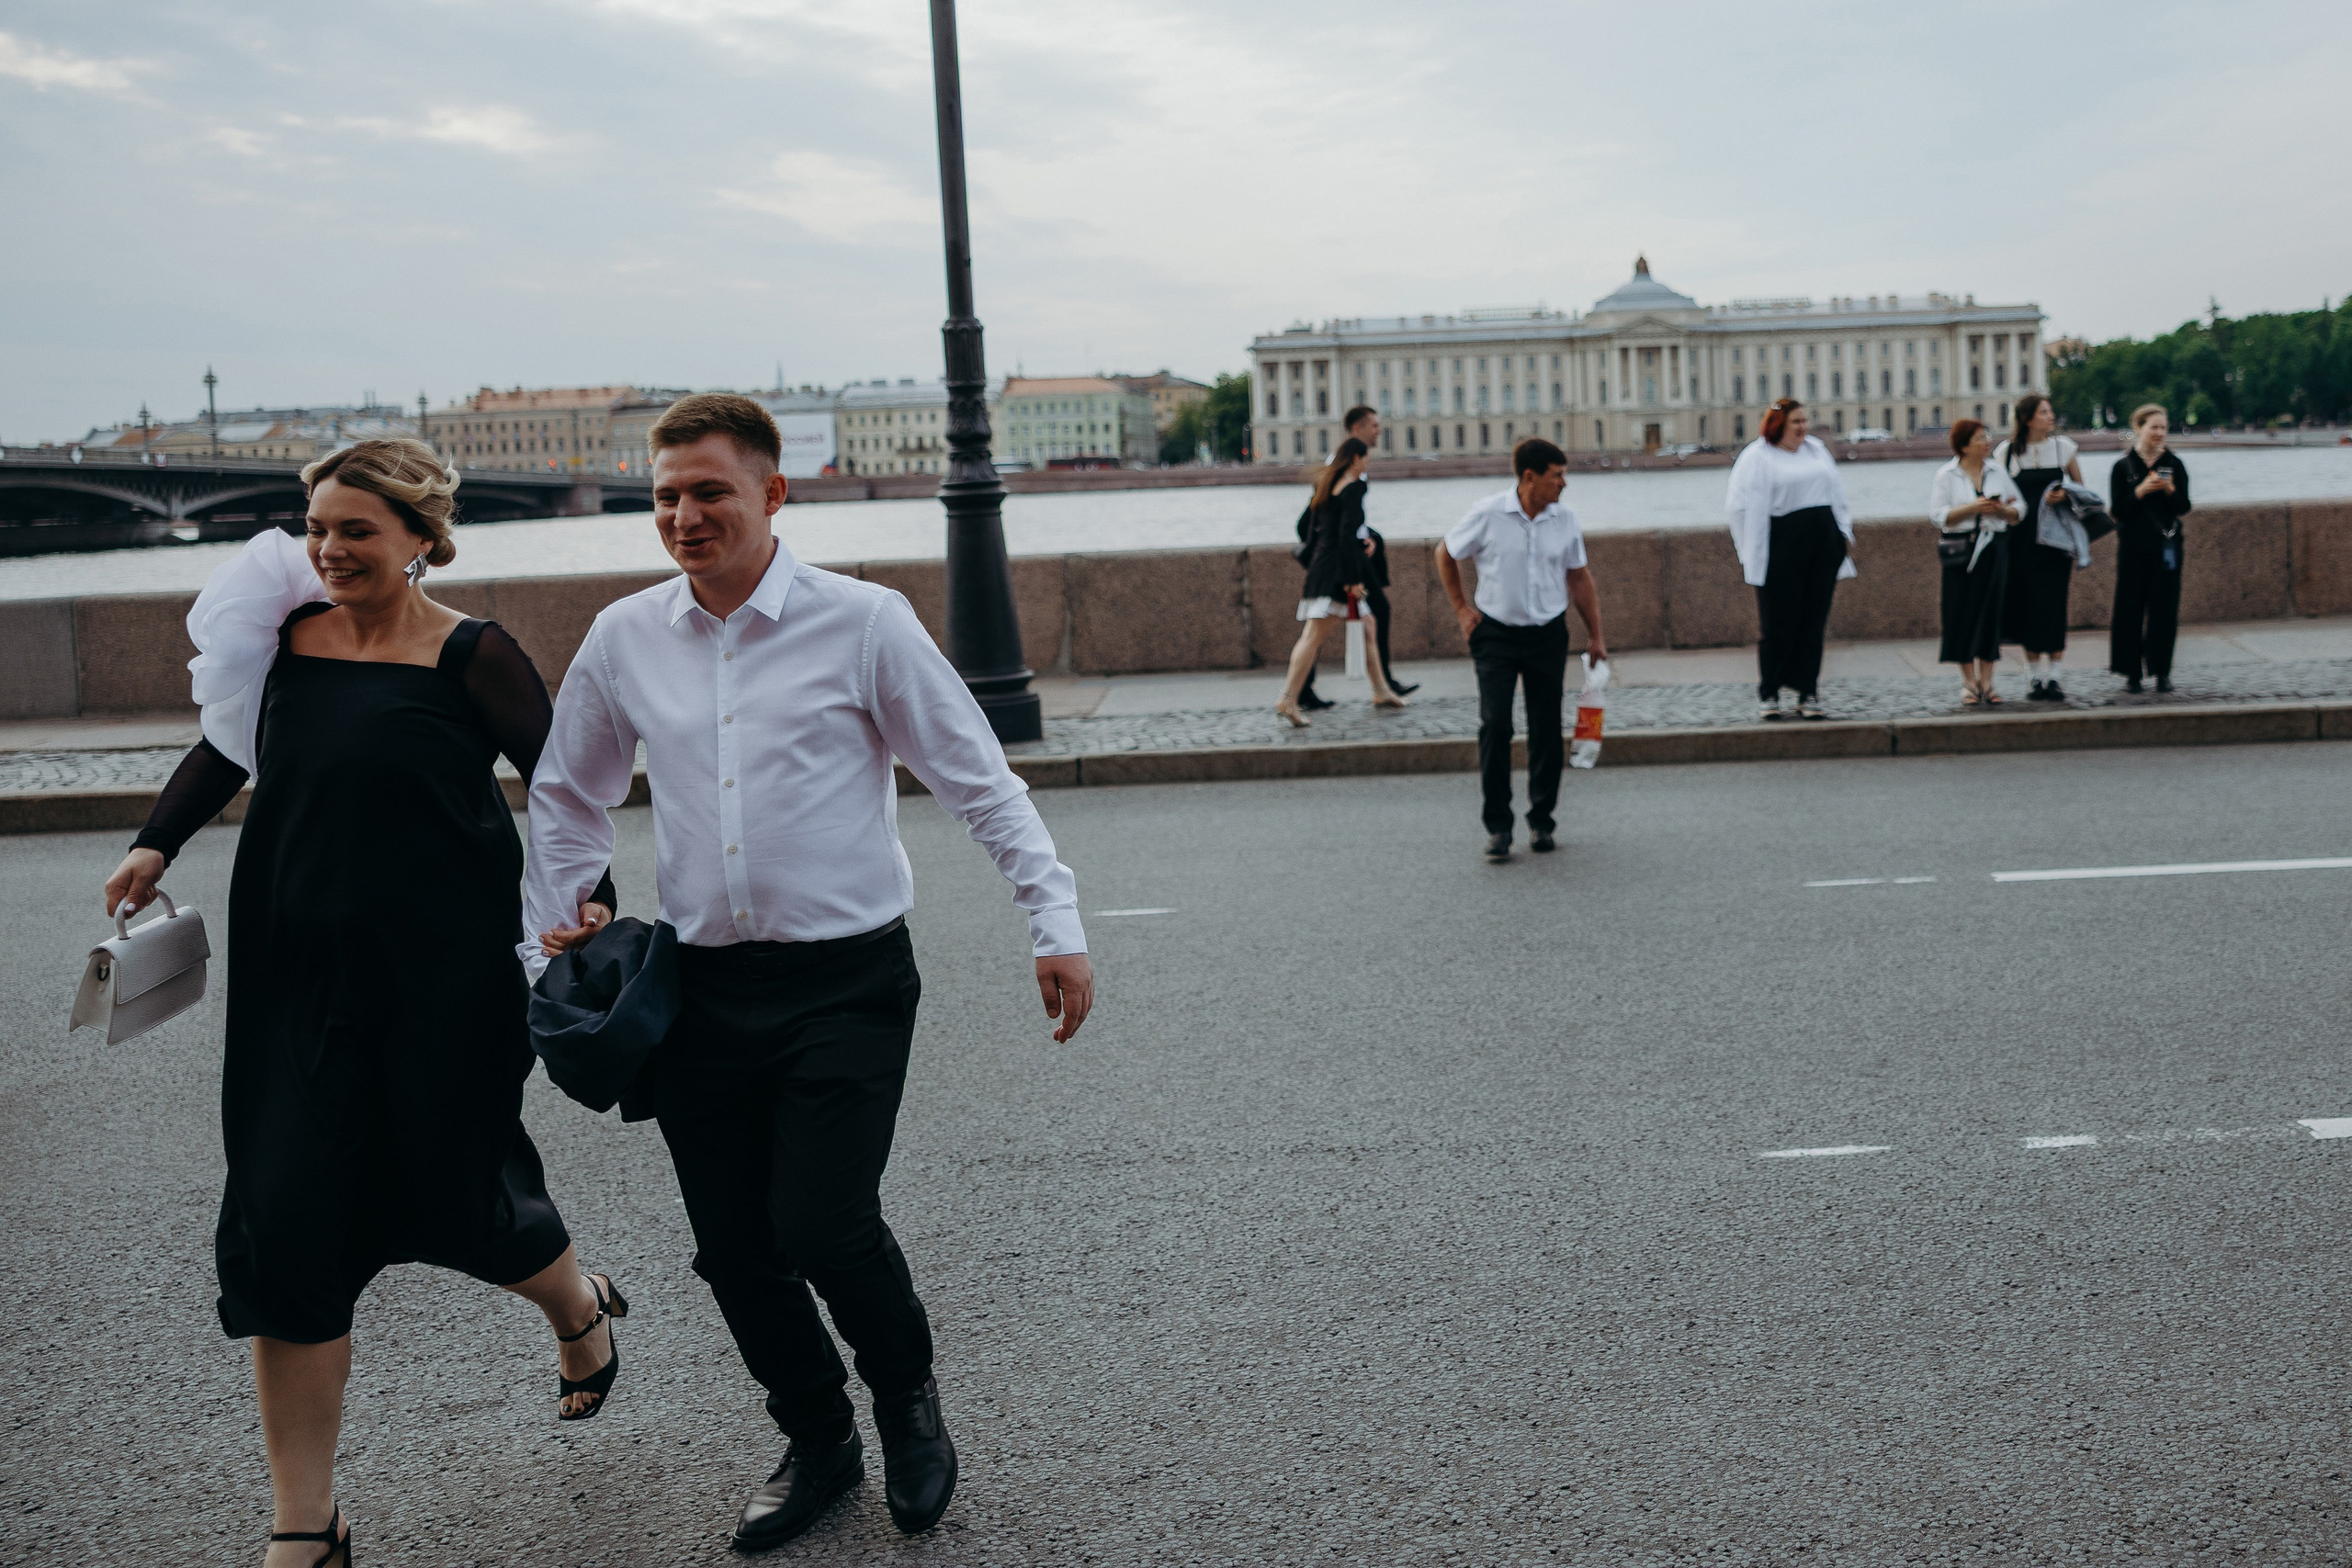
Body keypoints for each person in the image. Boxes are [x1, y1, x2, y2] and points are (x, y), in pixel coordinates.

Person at [520, 394, 1094, 1552]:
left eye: (710, 492)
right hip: (701, 994)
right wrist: (560, 927)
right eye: (667, 495)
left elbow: (977, 780)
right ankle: (820, 1437)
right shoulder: (624, 636)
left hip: (848, 982)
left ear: (774, 495)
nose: (684, 515)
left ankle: (907, 1404)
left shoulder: (864, 623)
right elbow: (569, 794)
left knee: (823, 1223)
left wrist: (1054, 918)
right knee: (732, 1246)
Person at [99, 439, 627, 1568]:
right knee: (284, 1222)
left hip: (446, 987)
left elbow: (566, 793)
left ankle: (575, 1307)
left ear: (421, 539)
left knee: (462, 1197)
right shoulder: (285, 643)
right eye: (318, 529)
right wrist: (155, 842)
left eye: (357, 532)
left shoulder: (474, 657)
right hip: (297, 983)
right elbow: (225, 747)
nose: (330, 551)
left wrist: (587, 908)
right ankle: (306, 1524)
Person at [1434, 436, 1608, 863]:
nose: (1564, 484)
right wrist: (1461, 610)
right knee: (1496, 725)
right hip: (1495, 634)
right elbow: (1446, 552)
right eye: (1557, 476)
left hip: (1548, 632)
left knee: (1546, 729)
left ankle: (1542, 821)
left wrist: (1596, 635)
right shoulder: (1489, 513)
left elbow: (1580, 578)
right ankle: (1498, 827)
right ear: (1529, 477)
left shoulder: (1564, 519)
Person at [1725, 398, 1857, 721]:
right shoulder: (1757, 456)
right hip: (1781, 546)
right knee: (1777, 624)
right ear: (1778, 425)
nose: (1803, 428)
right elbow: (1737, 507)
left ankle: (1807, 692)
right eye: (1796, 422)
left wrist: (1843, 536)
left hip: (1822, 544)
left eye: (1804, 421)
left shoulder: (1816, 450)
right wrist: (1749, 550)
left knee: (1813, 623)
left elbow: (1837, 493)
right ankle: (1769, 693)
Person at [1274, 436, 1409, 726]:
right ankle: (1288, 698)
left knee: (1368, 625)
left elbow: (1316, 532)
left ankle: (1381, 690)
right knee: (1312, 638)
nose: (1368, 464)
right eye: (1366, 459)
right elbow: (1347, 537)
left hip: (1323, 568)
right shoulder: (1355, 488)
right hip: (1338, 574)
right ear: (1356, 459)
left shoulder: (1328, 486)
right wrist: (1350, 581)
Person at [1298, 405, 1416, 708]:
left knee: (1365, 619)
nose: (1379, 430)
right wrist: (1355, 553)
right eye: (1374, 426)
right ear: (1356, 431)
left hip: (1346, 554)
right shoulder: (1345, 473)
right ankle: (1299, 691)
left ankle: (1381, 685)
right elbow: (1322, 521)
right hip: (1343, 559)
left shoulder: (1349, 470)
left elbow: (1343, 522)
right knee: (1322, 626)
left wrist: (1369, 536)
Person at [1993, 393, 2086, 701]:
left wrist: (2065, 496)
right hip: (2021, 543)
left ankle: (2056, 676)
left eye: (2051, 411)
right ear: (2028, 418)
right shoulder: (2006, 452)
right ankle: (2034, 676)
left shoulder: (2064, 448)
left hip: (2055, 544)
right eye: (2045, 412)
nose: (2051, 417)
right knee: (2027, 607)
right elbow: (1996, 493)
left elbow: (2082, 493)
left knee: (2055, 606)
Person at [1928, 418, 2024, 706]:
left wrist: (2004, 510)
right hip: (1961, 553)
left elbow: (2021, 508)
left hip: (1993, 549)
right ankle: (1968, 682)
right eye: (1981, 438)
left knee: (1990, 614)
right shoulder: (1946, 474)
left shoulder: (1997, 471)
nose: (1987, 442)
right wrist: (1972, 508)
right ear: (1964, 445)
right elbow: (1937, 515)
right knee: (1961, 615)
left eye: (1987, 436)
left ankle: (1988, 681)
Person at [2109, 402, 2191, 694]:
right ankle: (2131, 672)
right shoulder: (2123, 467)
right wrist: (2141, 491)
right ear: (2138, 428)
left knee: (2164, 609)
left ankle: (2161, 671)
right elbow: (2118, 510)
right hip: (2132, 547)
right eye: (2153, 427)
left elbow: (2184, 506)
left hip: (2166, 546)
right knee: (2130, 608)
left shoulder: (2174, 464)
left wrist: (2170, 490)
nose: (2159, 433)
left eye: (2163, 428)